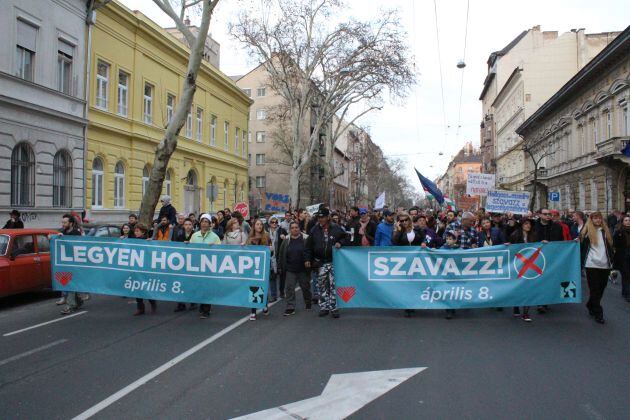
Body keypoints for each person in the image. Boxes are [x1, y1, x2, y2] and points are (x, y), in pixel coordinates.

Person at [304, 208, 346, 318]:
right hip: (320, 262)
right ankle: (324, 307)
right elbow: (308, 247)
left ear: (328, 217)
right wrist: (308, 259)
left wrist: (340, 242)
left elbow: (346, 238)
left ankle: (334, 307)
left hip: (333, 262)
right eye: (319, 217)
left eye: (322, 217)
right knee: (321, 286)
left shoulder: (336, 228)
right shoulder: (314, 230)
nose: (320, 219)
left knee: (333, 285)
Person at [580, 212, 614, 324]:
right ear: (591, 220)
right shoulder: (587, 233)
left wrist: (612, 262)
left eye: (599, 218)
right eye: (595, 218)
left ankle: (590, 304)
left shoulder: (606, 231)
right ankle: (598, 313)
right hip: (591, 264)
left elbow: (610, 248)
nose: (598, 220)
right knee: (594, 289)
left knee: (601, 288)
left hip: (605, 264)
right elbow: (579, 243)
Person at [392, 212, 426, 317]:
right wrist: (398, 230)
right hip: (404, 261)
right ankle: (408, 306)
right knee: (407, 283)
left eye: (406, 219)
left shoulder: (417, 229)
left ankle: (415, 302)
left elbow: (423, 238)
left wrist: (423, 243)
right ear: (399, 222)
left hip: (418, 260)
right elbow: (394, 242)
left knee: (416, 282)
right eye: (401, 221)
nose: (404, 222)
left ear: (409, 219)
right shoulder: (398, 231)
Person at [190, 214, 221, 318]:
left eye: (206, 222)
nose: (204, 224)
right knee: (200, 286)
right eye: (202, 222)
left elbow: (220, 251)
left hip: (209, 266)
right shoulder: (195, 235)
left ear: (210, 224)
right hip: (197, 265)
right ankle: (202, 305)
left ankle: (206, 310)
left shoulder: (214, 237)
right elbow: (190, 249)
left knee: (207, 287)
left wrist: (214, 248)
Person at [509, 218, 539, 322]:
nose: (528, 226)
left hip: (530, 266)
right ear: (521, 225)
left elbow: (537, 248)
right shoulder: (515, 235)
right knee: (518, 287)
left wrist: (543, 244)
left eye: (529, 224)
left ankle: (526, 313)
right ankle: (516, 306)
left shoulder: (534, 235)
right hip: (518, 265)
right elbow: (511, 249)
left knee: (529, 288)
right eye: (526, 224)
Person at [278, 221, 311, 315]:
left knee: (305, 287)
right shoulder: (286, 240)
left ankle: (308, 301)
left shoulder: (305, 239)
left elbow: (310, 252)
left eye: (296, 227)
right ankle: (290, 307)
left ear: (299, 229)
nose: (294, 229)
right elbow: (281, 254)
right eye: (292, 228)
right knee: (289, 288)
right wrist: (280, 266)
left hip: (303, 269)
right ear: (290, 230)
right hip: (290, 269)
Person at [58, 214, 84, 314]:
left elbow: (77, 246)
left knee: (70, 283)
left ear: (71, 223)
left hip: (75, 263)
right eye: (62, 222)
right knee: (70, 283)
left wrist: (64, 238)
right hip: (66, 262)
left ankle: (69, 306)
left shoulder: (76, 233)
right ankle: (78, 300)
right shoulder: (62, 231)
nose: (63, 224)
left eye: (65, 222)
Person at [130, 223, 157, 316]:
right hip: (136, 267)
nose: (135, 233)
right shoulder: (133, 241)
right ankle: (140, 308)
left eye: (137, 231)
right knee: (137, 288)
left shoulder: (147, 240)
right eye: (135, 231)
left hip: (145, 268)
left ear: (143, 232)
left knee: (146, 287)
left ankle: (153, 302)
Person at [268, 217, 287, 301]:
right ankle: (274, 295)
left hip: (280, 257)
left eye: (276, 222)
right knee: (272, 276)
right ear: (269, 223)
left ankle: (282, 291)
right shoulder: (266, 232)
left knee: (282, 275)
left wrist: (285, 237)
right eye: (272, 222)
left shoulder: (281, 230)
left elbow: (288, 239)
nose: (274, 224)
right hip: (270, 257)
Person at [613, 214, 630, 302]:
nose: (628, 222)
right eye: (626, 220)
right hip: (622, 257)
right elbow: (615, 244)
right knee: (626, 274)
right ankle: (627, 293)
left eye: (629, 220)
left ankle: (625, 291)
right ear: (622, 222)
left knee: (627, 275)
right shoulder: (618, 232)